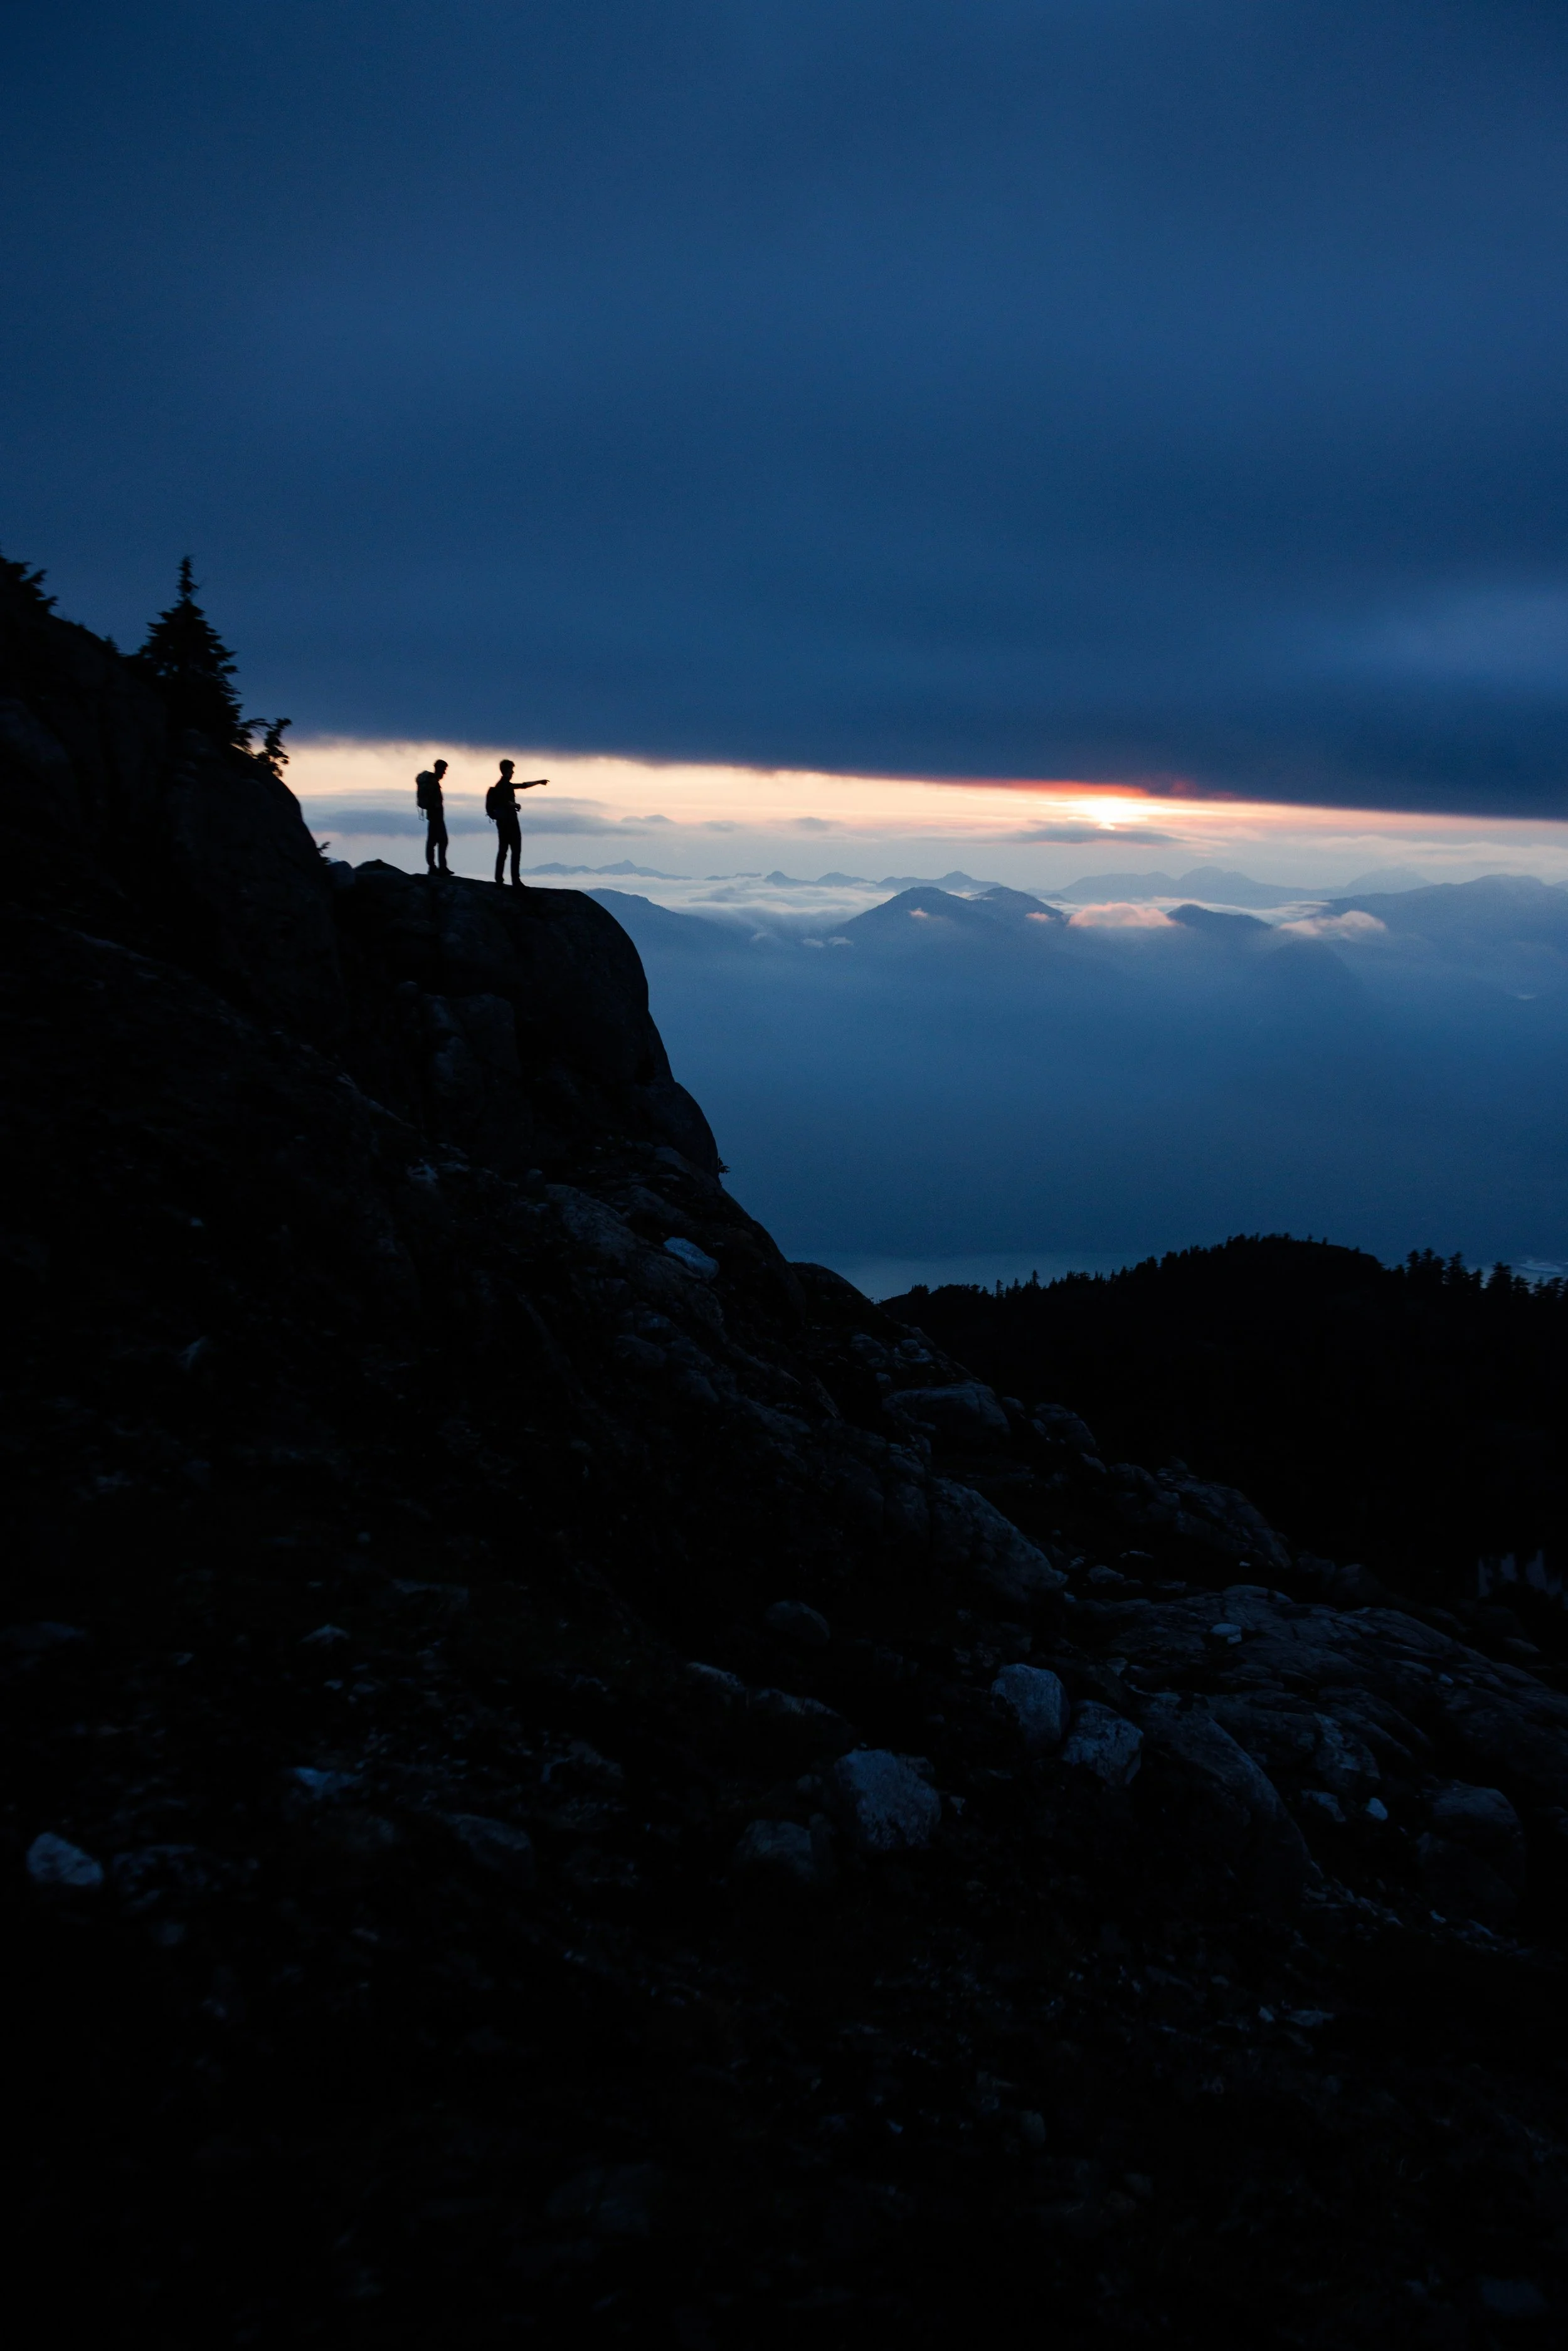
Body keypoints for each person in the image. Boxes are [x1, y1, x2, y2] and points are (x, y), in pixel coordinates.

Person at [485, 758, 548, 886]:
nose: (513, 772)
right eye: (512, 770)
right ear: (507, 770)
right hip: (510, 822)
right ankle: (515, 880)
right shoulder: (503, 785)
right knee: (515, 850)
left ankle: (500, 879)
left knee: (504, 850)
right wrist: (515, 804)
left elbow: (522, 786)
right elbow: (504, 800)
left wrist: (539, 782)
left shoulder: (503, 784)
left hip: (503, 822)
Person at [415, 758, 450, 877]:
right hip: (436, 816)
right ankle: (438, 868)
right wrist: (436, 806)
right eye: (444, 770)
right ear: (439, 769)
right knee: (440, 841)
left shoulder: (432, 781)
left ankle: (436, 867)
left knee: (435, 842)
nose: (444, 773)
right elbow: (434, 801)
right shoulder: (433, 782)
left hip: (434, 816)